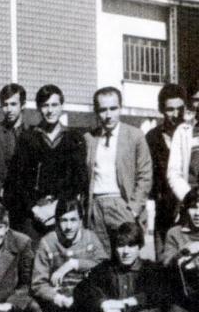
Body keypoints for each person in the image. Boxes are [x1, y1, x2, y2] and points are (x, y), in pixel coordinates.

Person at [4, 84, 87, 244]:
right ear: (38, 108)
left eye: (54, 105)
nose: (50, 111)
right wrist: (35, 209)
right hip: (33, 215)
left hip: (63, 213)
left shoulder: (75, 138)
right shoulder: (27, 138)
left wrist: (57, 206)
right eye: (45, 105)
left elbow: (78, 180)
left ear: (62, 106)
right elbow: (17, 180)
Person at [75, 222, 168, 312]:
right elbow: (84, 288)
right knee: (93, 305)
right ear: (114, 248)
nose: (125, 252)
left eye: (131, 246)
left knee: (150, 311)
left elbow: (158, 293)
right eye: (121, 246)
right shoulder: (106, 268)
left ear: (139, 246)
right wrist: (105, 305)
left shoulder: (150, 269)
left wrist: (126, 303)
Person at [84, 86, 152, 256]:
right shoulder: (89, 138)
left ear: (120, 107)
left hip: (122, 203)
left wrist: (134, 208)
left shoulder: (135, 136)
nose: (108, 115)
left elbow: (145, 175)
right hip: (96, 206)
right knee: (100, 259)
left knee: (126, 256)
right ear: (96, 111)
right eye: (103, 110)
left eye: (113, 108)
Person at [31, 197, 107, 312]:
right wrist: (58, 299)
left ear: (80, 220)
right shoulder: (47, 242)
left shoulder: (90, 238)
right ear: (57, 221)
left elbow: (103, 265)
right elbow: (38, 284)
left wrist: (74, 264)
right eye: (64, 220)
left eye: (73, 220)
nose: (68, 226)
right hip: (60, 302)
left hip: (86, 301)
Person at [146, 84, 186, 260]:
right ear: (161, 109)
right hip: (164, 211)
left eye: (180, 109)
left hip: (190, 210)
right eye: (170, 109)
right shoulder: (152, 138)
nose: (176, 115)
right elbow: (148, 174)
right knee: (164, 262)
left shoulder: (191, 133)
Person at [161, 187, 199, 312]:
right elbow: (167, 263)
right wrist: (185, 251)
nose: (198, 213)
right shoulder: (175, 233)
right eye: (193, 208)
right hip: (185, 299)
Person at [168, 82, 199, 202]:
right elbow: (173, 171)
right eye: (197, 99)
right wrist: (187, 194)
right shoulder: (183, 131)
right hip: (194, 201)